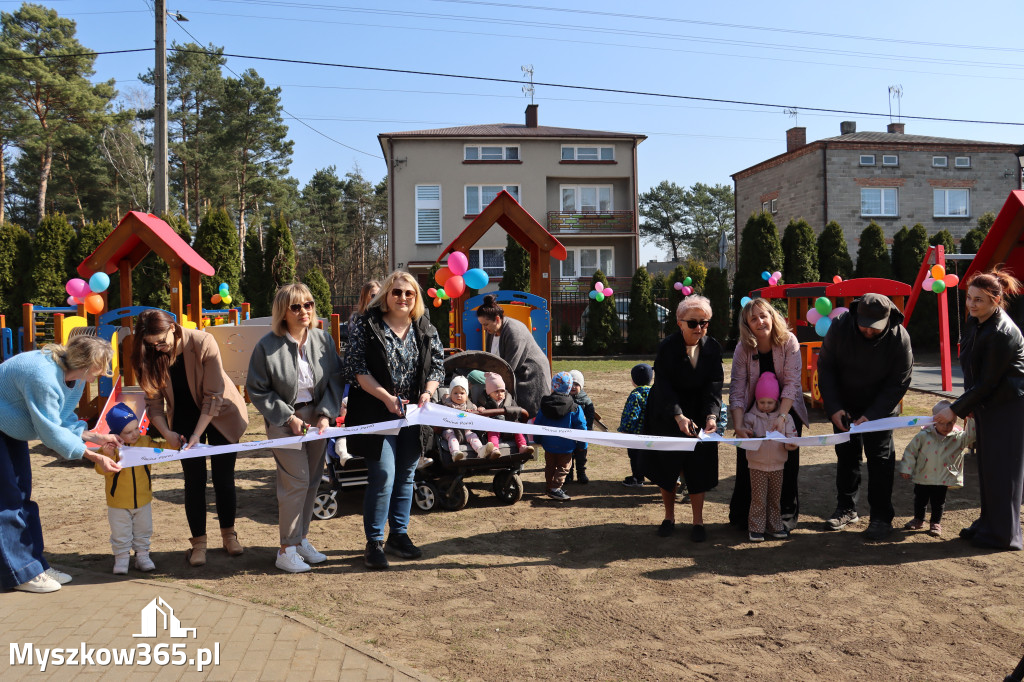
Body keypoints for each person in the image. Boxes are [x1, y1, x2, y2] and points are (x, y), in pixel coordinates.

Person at [0, 337, 122, 593]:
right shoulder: (42, 376)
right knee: (8, 502)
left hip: (10, 427)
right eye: (101, 366)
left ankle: (35, 565)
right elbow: (50, 430)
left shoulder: (73, 378)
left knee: (24, 498)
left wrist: (94, 436)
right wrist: (94, 456)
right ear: (86, 364)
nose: (103, 372)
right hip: (3, 425)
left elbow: (62, 418)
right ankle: (23, 574)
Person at [345, 270, 445, 570]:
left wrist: (428, 392)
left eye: (409, 293)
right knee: (384, 474)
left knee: (406, 475)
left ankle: (398, 535)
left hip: (414, 413)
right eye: (397, 292)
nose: (403, 298)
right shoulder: (367, 324)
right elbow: (356, 368)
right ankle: (374, 542)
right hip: (378, 411)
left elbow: (438, 366)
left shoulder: (425, 327)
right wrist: (387, 399)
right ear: (386, 295)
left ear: (415, 298)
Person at [133, 309, 249, 566]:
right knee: (194, 480)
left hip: (220, 413)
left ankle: (229, 535)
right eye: (151, 345)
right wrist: (168, 434)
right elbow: (154, 406)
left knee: (223, 477)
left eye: (161, 342)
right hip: (183, 417)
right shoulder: (148, 354)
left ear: (173, 328)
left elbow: (213, 396)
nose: (158, 349)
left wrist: (198, 434)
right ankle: (199, 543)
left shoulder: (202, 342)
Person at [247, 284, 344, 573]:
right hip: (283, 421)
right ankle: (286, 549)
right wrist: (289, 418)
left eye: (309, 305)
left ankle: (301, 540)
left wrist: (326, 414)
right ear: (283, 312)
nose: (305, 311)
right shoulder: (267, 345)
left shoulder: (323, 339)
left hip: (317, 417)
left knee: (314, 479)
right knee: (296, 481)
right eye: (296, 306)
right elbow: (257, 389)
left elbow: (336, 379)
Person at [934, 268, 1024, 550]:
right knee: (988, 467)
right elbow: (977, 373)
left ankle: (1004, 534)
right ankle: (989, 523)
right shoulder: (978, 321)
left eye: (979, 300)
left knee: (1004, 469)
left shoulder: (1000, 332)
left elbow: (988, 382)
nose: (972, 305)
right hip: (988, 403)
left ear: (996, 300)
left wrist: (956, 409)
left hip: (1009, 407)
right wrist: (970, 405)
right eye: (970, 298)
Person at [817, 293, 913, 541]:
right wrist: (835, 406)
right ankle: (846, 508)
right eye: (864, 326)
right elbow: (826, 367)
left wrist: (873, 415)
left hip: (880, 409)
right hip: (845, 405)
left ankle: (881, 517)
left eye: (875, 328)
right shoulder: (840, 327)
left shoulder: (899, 337)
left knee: (881, 460)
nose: (869, 332)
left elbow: (899, 382)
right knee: (846, 455)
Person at [642, 296, 723, 543]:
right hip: (668, 413)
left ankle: (698, 521)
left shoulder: (713, 348)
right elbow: (663, 385)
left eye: (704, 323)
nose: (699, 328)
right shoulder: (667, 347)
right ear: (679, 323)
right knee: (668, 466)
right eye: (693, 323)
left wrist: (711, 415)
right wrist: (678, 415)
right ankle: (669, 517)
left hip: (699, 413)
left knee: (698, 466)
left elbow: (714, 385)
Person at [729, 298, 810, 531]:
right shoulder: (742, 348)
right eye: (753, 318)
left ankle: (783, 518)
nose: (760, 321)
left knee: (785, 466)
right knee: (748, 465)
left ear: (772, 316)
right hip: (752, 413)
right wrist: (738, 425)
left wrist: (782, 418)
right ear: (747, 325)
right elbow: (736, 388)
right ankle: (744, 517)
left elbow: (793, 384)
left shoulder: (789, 342)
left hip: (787, 410)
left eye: (763, 315)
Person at [98, 402, 177, 574]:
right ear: (116, 434)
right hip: (118, 502)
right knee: (120, 532)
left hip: (143, 499)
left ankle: (142, 556)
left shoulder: (145, 442)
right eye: (128, 432)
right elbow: (101, 469)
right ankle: (121, 558)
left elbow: (164, 450)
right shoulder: (111, 448)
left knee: (144, 529)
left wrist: (175, 442)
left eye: (137, 428)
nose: (135, 434)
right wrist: (108, 456)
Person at [899, 400, 975, 538]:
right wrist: (906, 468)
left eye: (951, 423)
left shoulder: (957, 438)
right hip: (923, 475)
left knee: (938, 502)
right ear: (934, 420)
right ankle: (918, 519)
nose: (947, 426)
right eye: (942, 423)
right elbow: (911, 452)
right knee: (920, 499)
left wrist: (971, 419)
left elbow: (971, 436)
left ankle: (935, 523)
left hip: (943, 477)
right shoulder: (923, 436)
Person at [742, 373, 798, 542]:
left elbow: (791, 440)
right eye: (762, 402)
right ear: (756, 401)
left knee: (775, 498)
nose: (766, 406)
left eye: (770, 402)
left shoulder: (786, 418)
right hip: (756, 465)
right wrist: (749, 437)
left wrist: (791, 445)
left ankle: (774, 526)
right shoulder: (749, 418)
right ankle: (756, 528)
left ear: (776, 401)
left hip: (778, 465)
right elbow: (743, 440)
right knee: (758, 498)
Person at [476, 295, 551, 417]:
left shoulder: (515, 331)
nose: (484, 328)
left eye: (486, 324)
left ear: (497, 319)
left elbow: (509, 367)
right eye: (482, 325)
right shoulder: (492, 331)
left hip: (531, 373)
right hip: (514, 371)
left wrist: (490, 380)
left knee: (530, 411)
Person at [533, 372, 587, 501]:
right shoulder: (575, 408)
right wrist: (582, 445)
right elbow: (581, 427)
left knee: (550, 466)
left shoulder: (544, 405)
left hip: (548, 445)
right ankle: (555, 488)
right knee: (564, 468)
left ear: (553, 387)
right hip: (566, 446)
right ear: (569, 388)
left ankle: (549, 486)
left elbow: (537, 424)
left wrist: (538, 439)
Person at [478, 372, 534, 458]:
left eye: (502, 391)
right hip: (493, 425)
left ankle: (522, 446)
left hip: (508, 424)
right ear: (489, 392)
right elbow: (480, 415)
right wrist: (481, 409)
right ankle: (494, 449)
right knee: (492, 432)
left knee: (517, 427)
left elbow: (516, 410)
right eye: (496, 391)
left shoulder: (509, 399)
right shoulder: (484, 401)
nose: (500, 394)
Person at [439, 376, 496, 460]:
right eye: (455, 393)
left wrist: (480, 410)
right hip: (450, 429)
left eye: (462, 393)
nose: (459, 395)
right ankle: (455, 453)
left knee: (473, 436)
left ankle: (480, 450)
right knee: (452, 437)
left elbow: (478, 414)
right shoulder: (445, 404)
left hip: (466, 430)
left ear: (466, 395)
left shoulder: (470, 405)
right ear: (450, 394)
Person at [619, 363, 653, 488]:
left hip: (636, 435)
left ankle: (638, 478)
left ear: (633, 380)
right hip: (653, 432)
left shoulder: (635, 395)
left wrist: (625, 429)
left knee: (635, 456)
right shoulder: (655, 393)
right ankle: (655, 476)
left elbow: (631, 414)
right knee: (652, 455)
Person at [565, 369, 596, 484]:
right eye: (571, 384)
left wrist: (589, 429)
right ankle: (568, 474)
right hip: (568, 433)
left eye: (576, 384)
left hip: (582, 433)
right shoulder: (565, 398)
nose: (573, 386)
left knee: (581, 454)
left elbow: (590, 414)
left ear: (581, 386)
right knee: (568, 454)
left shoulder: (586, 400)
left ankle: (581, 473)